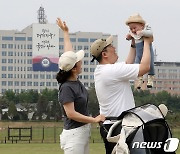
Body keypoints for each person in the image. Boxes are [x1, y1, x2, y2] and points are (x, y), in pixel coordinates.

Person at [90, 31, 153, 153]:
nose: (114, 48)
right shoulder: (111, 71)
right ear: (104, 54)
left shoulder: (104, 70)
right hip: (119, 127)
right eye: (111, 47)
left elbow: (127, 65)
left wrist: (134, 42)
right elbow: (145, 67)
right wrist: (146, 42)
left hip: (112, 125)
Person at [56, 18, 105, 154]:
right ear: (73, 68)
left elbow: (68, 54)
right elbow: (71, 114)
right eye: (78, 61)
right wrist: (94, 119)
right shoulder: (67, 87)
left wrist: (65, 33)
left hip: (80, 134)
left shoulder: (74, 80)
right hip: (74, 136)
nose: (81, 62)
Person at [126, 13, 155, 89]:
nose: (133, 30)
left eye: (134, 28)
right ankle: (139, 79)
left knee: (150, 65)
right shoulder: (133, 33)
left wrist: (142, 32)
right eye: (131, 29)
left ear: (142, 25)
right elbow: (129, 37)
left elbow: (150, 33)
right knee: (136, 64)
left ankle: (150, 79)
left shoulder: (146, 28)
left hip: (148, 52)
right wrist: (129, 36)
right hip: (139, 53)